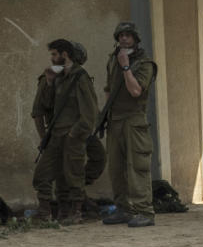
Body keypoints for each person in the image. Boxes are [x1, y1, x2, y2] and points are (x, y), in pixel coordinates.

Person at [30, 39, 98, 224]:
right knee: (42, 174)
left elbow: (90, 111)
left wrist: (75, 133)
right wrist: (50, 83)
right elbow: (44, 106)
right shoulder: (53, 76)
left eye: (54, 54)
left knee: (73, 174)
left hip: (72, 135)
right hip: (55, 135)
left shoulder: (80, 77)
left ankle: (75, 212)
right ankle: (45, 212)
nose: (52, 58)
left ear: (64, 55)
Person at [102, 21, 158, 228]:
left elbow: (136, 91)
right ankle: (123, 209)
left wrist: (125, 66)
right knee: (116, 168)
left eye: (128, 35)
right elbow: (108, 89)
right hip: (115, 119)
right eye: (121, 35)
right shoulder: (112, 60)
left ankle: (144, 211)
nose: (124, 38)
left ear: (135, 38)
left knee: (138, 167)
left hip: (134, 120)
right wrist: (105, 114)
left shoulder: (144, 64)